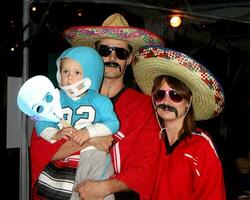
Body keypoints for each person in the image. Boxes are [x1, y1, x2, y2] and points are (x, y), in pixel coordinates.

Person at [30, 13, 165, 200]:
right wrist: (90, 141)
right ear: (94, 53)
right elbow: (39, 151)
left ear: (129, 58)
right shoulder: (60, 98)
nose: (112, 57)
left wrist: (105, 187)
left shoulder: (143, 107)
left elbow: (147, 166)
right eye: (105, 50)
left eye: (121, 52)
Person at [132, 46, 226, 199]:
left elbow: (213, 194)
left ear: (188, 102)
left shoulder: (201, 145)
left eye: (175, 95)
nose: (166, 101)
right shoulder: (149, 140)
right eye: (160, 94)